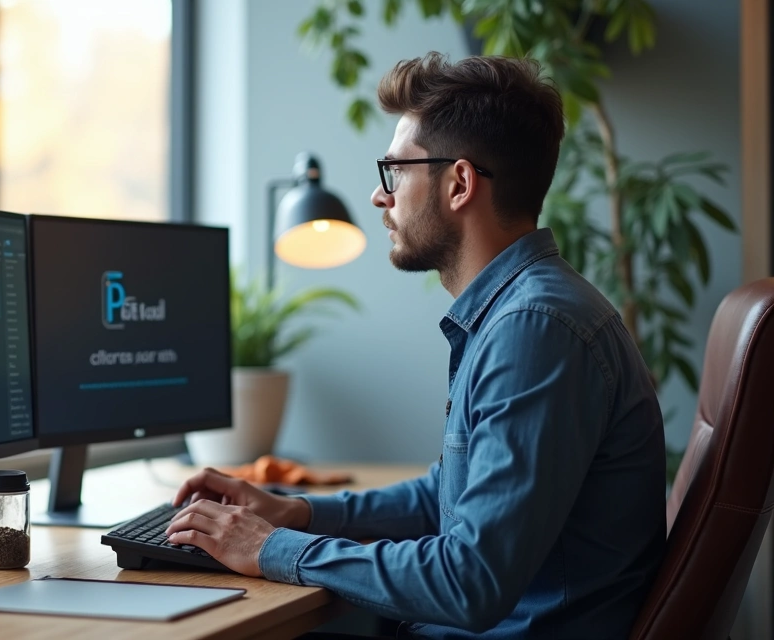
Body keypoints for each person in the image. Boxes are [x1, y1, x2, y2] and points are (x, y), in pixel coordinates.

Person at [164, 53, 667, 639]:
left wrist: (275, 547)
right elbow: (448, 495)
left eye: (395, 171)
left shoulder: (537, 330)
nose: (381, 197)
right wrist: (297, 511)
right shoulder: (518, 314)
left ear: (459, 183)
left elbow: (468, 579)